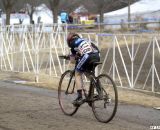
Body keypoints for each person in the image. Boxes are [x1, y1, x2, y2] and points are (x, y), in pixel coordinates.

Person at [66, 33, 100, 105]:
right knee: (88, 73)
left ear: (69, 41)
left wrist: (69, 57)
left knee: (77, 73)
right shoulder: (84, 40)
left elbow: (73, 60)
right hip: (97, 55)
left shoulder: (72, 43)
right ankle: (100, 92)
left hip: (88, 56)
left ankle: (79, 97)